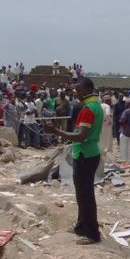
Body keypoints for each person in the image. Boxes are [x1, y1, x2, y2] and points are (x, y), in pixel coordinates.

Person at [44, 76, 103, 245]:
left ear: (87, 90)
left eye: (78, 90)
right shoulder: (95, 105)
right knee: (82, 194)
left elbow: (80, 135)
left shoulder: (88, 109)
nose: (76, 93)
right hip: (88, 153)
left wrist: (56, 131)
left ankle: (92, 233)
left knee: (86, 196)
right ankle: (81, 227)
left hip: (85, 155)